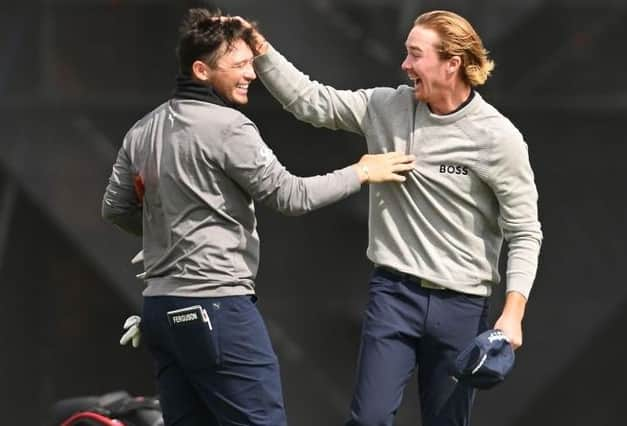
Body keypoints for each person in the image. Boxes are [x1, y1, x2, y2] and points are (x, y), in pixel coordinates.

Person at [101, 8, 414, 426]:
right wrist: (361, 171)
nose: (251, 74)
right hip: (218, 308)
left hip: (161, 311)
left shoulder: (142, 130)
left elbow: (116, 208)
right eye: (240, 65)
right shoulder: (231, 127)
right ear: (201, 69)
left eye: (252, 63)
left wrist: (166, 236)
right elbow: (291, 196)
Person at [240, 9, 543, 425]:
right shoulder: (387, 106)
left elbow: (525, 232)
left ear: (452, 63)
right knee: (368, 420)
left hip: (462, 306)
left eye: (415, 55)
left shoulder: (499, 137)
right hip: (393, 295)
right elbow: (310, 102)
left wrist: (513, 314)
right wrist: (260, 50)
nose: (405, 65)